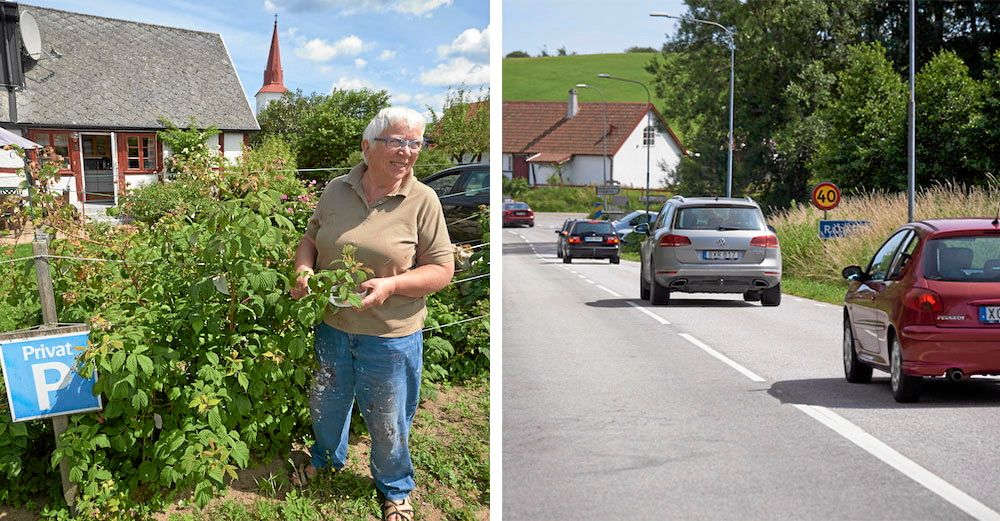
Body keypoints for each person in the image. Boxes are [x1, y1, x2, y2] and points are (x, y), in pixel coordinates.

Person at [289, 106, 455, 521]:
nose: (408, 151)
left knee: (388, 417)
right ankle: (325, 459)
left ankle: (395, 489)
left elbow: (441, 270)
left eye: (415, 142)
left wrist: (391, 285)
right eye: (397, 141)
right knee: (327, 402)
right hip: (333, 324)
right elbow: (310, 237)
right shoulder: (336, 189)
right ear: (368, 147)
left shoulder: (423, 200)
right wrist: (303, 268)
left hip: (390, 333)